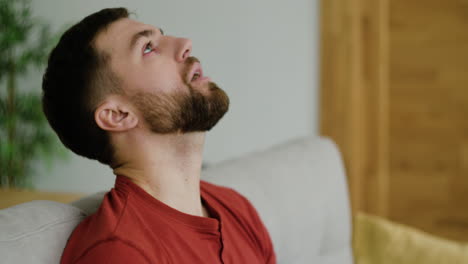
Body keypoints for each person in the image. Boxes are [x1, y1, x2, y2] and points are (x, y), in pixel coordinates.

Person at [42, 7, 276, 264]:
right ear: (118, 114)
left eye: (161, 36)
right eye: (148, 48)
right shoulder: (118, 253)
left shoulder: (237, 209)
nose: (185, 44)